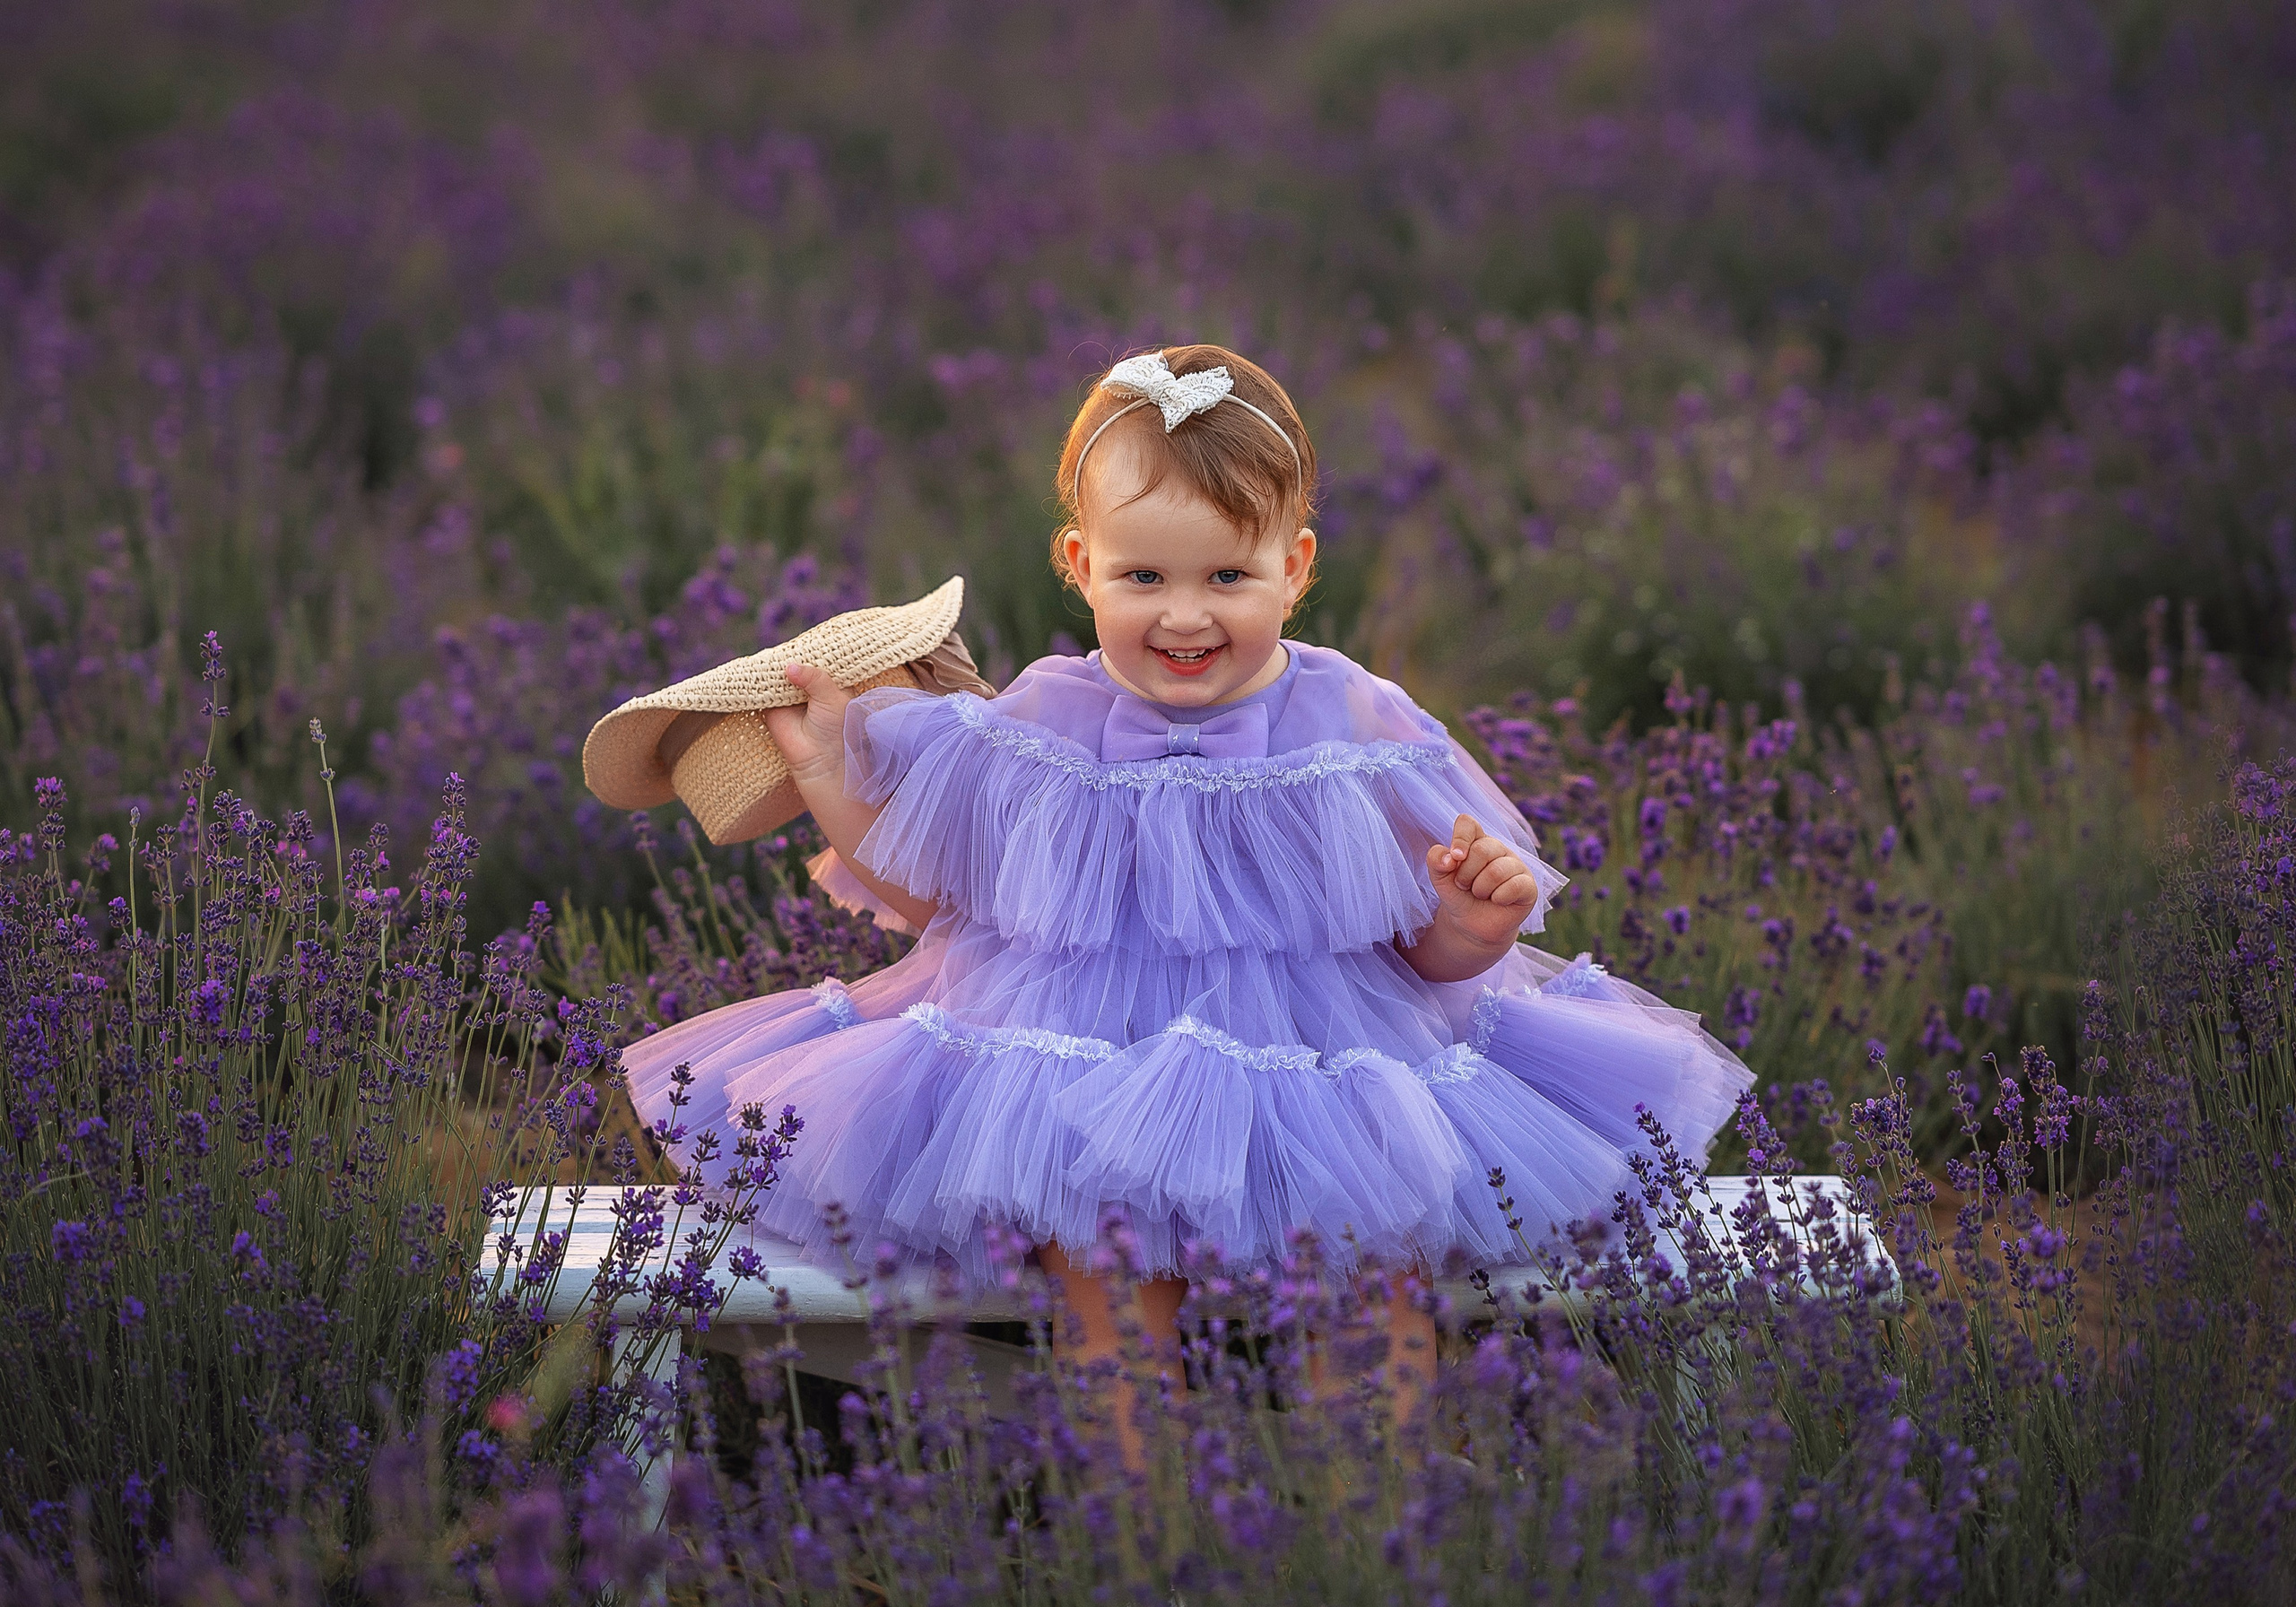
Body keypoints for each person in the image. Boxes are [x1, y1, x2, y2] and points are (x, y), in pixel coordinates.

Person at [617, 343, 1752, 1452]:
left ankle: (1373, 1513)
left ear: (1295, 566)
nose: (1185, 616)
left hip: (1324, 1073)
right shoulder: (1041, 721)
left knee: (1365, 1282)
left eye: (1227, 577)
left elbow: (1419, 962)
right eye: (1143, 578)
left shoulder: (1355, 723)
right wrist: (829, 777)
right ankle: (1141, 1509)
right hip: (1080, 1070)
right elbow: (938, 895)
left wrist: (1473, 925)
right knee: (1107, 1291)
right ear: (1080, 563)